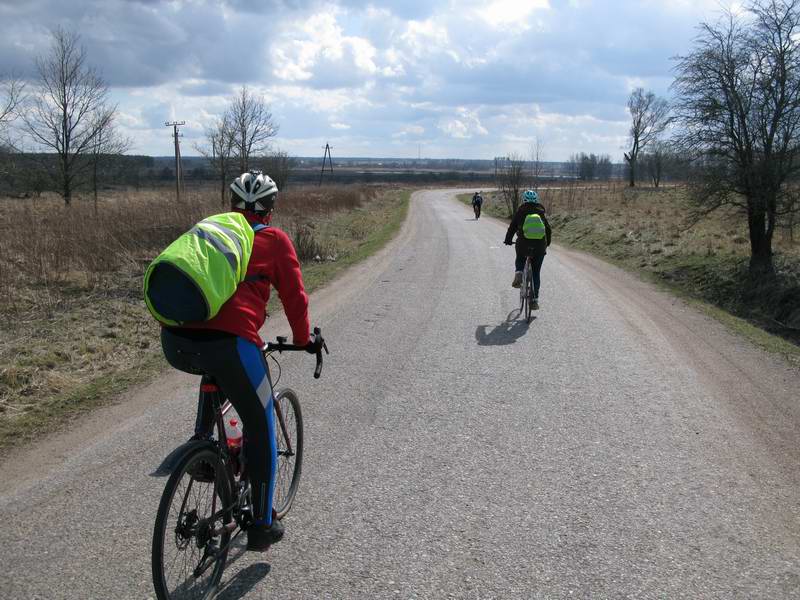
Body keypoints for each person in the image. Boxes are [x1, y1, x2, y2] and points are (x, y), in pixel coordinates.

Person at [159, 171, 312, 552]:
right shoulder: (273, 239)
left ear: (231, 204)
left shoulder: (211, 232)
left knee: (210, 365)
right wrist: (303, 339)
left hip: (176, 339)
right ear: (271, 209)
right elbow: (294, 297)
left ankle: (203, 443)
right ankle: (262, 523)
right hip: (232, 345)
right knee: (260, 423)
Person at [504, 189, 551, 305]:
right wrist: (546, 244)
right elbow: (548, 230)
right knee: (536, 272)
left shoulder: (520, 211)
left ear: (524, 200)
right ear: (536, 200)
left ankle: (519, 272)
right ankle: (534, 300)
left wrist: (508, 240)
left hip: (524, 244)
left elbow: (512, 228)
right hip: (540, 246)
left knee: (520, 257)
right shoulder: (540, 212)